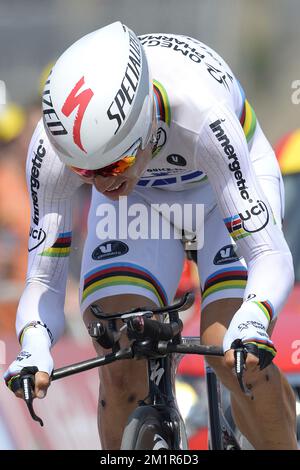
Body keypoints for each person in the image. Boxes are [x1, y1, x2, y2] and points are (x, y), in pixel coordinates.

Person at [4, 22, 296, 450]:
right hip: (139, 200)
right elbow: (43, 280)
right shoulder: (50, 151)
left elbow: (270, 254)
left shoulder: (200, 109)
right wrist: (33, 346)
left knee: (232, 352)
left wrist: (254, 320)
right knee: (119, 354)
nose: (102, 185)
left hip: (220, 192)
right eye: (85, 174)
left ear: (145, 122)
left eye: (114, 165)